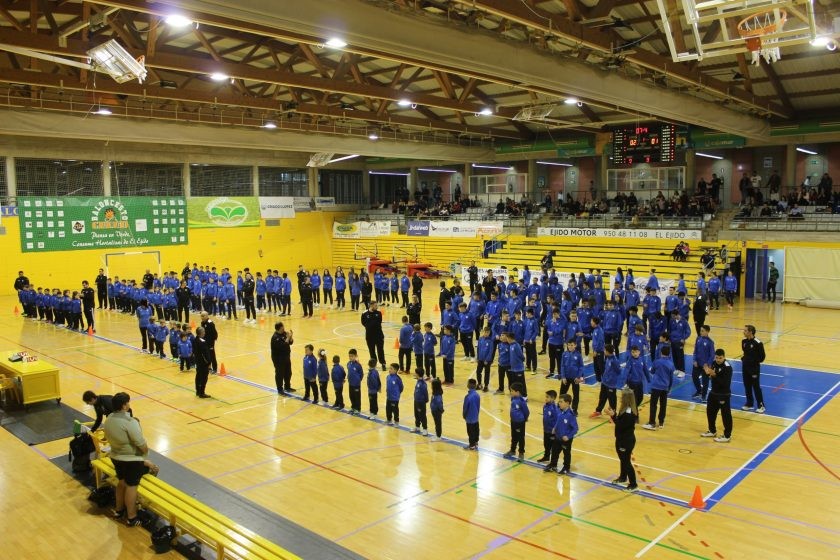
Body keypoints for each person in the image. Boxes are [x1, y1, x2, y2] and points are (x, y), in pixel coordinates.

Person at [102, 392, 158, 526]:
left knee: (121, 483)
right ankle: (132, 517)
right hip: (130, 460)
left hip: (115, 457)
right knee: (132, 486)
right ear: (124, 405)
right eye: (128, 402)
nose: (129, 404)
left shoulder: (109, 418)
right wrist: (145, 453)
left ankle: (119, 510)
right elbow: (140, 443)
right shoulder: (130, 422)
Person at [605, 388, 638, 491]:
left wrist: (612, 416)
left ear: (626, 399)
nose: (620, 398)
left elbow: (620, 425)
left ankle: (633, 484)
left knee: (626, 461)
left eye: (622, 397)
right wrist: (614, 414)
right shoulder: (625, 408)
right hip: (621, 438)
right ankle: (623, 477)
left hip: (625, 440)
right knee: (623, 460)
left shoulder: (628, 412)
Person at [701, 349, 734, 443]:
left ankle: (727, 436)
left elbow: (725, 383)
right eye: (717, 357)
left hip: (723, 395)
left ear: (724, 357)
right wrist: (707, 372)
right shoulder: (714, 363)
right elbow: (711, 376)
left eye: (720, 358)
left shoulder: (727, 367)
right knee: (710, 412)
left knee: (725, 415)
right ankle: (712, 430)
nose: (718, 360)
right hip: (713, 393)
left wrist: (714, 375)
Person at [545, 393, 578, 474]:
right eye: (559, 402)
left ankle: (566, 467)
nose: (559, 403)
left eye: (561, 402)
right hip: (558, 436)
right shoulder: (560, 411)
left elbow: (575, 428)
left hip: (565, 439)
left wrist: (568, 436)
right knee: (554, 451)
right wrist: (554, 428)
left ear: (567, 403)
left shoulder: (570, 415)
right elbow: (558, 421)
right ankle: (553, 465)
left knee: (566, 454)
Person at [644, 346, 675, 430]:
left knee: (653, 404)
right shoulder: (671, 364)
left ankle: (652, 423)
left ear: (661, 352)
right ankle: (661, 422)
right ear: (669, 354)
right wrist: (669, 388)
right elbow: (671, 378)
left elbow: (652, 371)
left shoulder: (657, 362)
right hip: (665, 387)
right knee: (663, 405)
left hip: (656, 386)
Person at [741, 325, 766, 414]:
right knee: (747, 386)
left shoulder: (758, 343)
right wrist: (744, 359)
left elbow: (762, 357)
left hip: (754, 369)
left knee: (756, 387)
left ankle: (761, 405)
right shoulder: (743, 341)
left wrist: (752, 361)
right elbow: (745, 353)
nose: (743, 332)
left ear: (751, 332)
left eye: (745, 330)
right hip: (745, 367)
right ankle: (749, 403)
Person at [503, 383, 530, 462]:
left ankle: (521, 453)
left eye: (512, 391)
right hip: (513, 421)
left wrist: (524, 418)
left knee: (521, 438)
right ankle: (512, 450)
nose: (511, 392)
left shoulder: (522, 401)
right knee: (514, 436)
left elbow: (526, 412)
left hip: (520, 423)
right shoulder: (513, 398)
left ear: (517, 392)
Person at [691, 325, 716, 402]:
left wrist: (708, 364)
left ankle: (704, 396)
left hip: (706, 366)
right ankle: (699, 391)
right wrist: (694, 360)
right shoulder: (698, 339)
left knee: (705, 381)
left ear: (707, 331)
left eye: (702, 331)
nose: (700, 332)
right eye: (700, 330)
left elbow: (712, 355)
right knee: (694, 377)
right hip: (697, 364)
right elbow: (695, 351)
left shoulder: (710, 342)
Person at [559, 340, 584, 414]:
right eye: (569, 345)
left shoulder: (578, 355)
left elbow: (581, 366)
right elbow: (562, 366)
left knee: (576, 395)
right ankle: (560, 407)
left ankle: (574, 409)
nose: (570, 346)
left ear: (575, 345)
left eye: (572, 345)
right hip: (566, 378)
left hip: (575, 378)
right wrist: (563, 377)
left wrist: (578, 377)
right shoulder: (564, 354)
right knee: (562, 393)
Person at [270, 322, 294, 396]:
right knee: (280, 374)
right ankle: (280, 389)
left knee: (288, 372)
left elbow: (290, 343)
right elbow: (283, 346)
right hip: (278, 358)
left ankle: (287, 387)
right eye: (282, 327)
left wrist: (290, 337)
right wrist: (287, 337)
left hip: (286, 356)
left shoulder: (284, 333)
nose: (284, 328)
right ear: (279, 328)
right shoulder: (275, 338)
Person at [361, 301, 386, 370]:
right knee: (372, 351)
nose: (377, 307)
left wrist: (370, 325)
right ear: (371, 305)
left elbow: (379, 322)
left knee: (380, 350)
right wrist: (369, 327)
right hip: (369, 336)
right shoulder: (364, 313)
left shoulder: (378, 313)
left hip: (379, 335)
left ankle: (383, 363)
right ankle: (373, 364)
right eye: (375, 305)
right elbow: (363, 323)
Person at [538, 390, 559, 463]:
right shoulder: (545, 406)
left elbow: (557, 420)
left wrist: (555, 429)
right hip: (546, 429)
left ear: (553, 398)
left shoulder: (555, 409)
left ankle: (553, 462)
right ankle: (546, 456)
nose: (545, 398)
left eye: (547, 397)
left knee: (552, 447)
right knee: (546, 444)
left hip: (552, 431)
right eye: (545, 396)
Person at [193, 327, 212, 398]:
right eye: (203, 332)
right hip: (203, 363)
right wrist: (209, 363)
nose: (205, 333)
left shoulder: (195, 340)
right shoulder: (202, 342)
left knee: (198, 376)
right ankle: (202, 393)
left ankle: (198, 391)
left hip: (197, 362)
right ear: (201, 333)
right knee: (204, 378)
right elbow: (205, 354)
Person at [463, 378, 480, 450]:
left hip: (469, 418)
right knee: (476, 430)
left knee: (470, 432)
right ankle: (476, 442)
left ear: (469, 385)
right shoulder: (477, 395)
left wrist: (464, 415)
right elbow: (478, 406)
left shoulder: (468, 397)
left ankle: (472, 445)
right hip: (476, 416)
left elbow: (465, 408)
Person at [347, 349, 364, 415]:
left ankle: (358, 408)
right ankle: (353, 407)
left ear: (356, 356)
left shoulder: (358, 365)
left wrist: (358, 380)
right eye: (349, 356)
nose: (350, 357)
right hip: (350, 383)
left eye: (352, 356)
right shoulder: (348, 363)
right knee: (351, 396)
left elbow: (361, 374)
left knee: (357, 397)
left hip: (356, 384)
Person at [412, 368, 429, 435]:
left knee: (422, 415)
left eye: (415, 373)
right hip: (416, 400)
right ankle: (417, 427)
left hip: (421, 402)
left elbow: (425, 393)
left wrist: (425, 400)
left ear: (418, 374)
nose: (414, 374)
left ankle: (425, 429)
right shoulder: (418, 381)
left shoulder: (423, 383)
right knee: (416, 415)